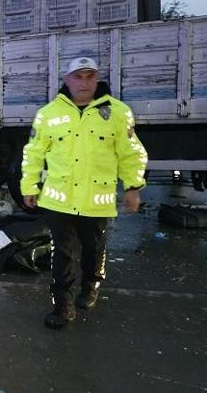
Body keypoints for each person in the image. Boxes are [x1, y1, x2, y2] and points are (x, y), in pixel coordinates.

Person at [20, 56, 148, 329]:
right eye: (78, 76)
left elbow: (130, 153)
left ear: (97, 79)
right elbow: (33, 154)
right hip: (59, 200)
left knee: (93, 248)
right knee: (62, 253)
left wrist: (133, 187)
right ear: (67, 80)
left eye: (90, 76)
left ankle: (90, 286)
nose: (84, 82)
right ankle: (62, 306)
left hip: (96, 200)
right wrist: (29, 187)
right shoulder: (48, 114)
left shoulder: (117, 112)